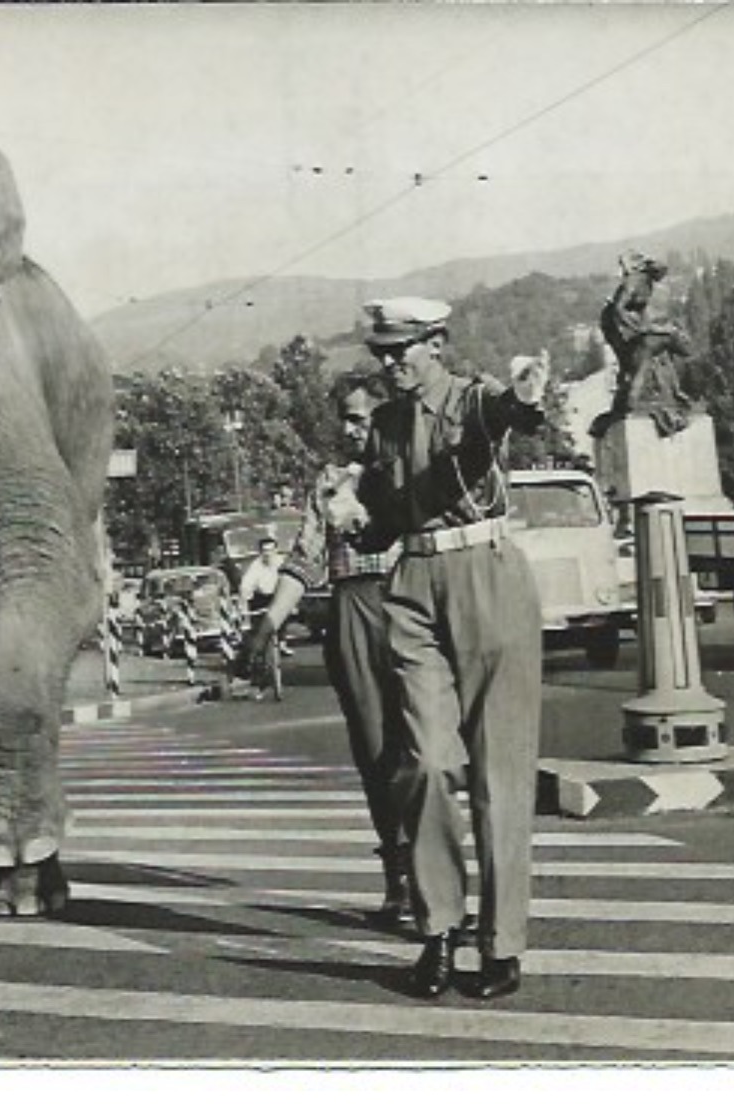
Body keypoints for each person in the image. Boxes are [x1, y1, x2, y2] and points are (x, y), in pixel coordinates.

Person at [353, 296, 549, 1001]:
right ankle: (438, 929)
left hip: (486, 580)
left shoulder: (468, 400)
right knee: (426, 762)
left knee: (500, 772)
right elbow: (382, 516)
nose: (388, 363)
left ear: (435, 343)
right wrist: (358, 524)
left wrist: (526, 398)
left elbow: (508, 416)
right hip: (411, 585)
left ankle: (501, 945)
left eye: (400, 349)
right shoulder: (380, 426)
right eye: (379, 353)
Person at [240, 370, 411, 925]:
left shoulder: (413, 468)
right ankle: (398, 880)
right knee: (375, 750)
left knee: (426, 748)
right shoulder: (330, 481)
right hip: (353, 610)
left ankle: (439, 874)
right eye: (344, 418)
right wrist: (268, 628)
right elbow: (305, 558)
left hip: (413, 602)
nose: (349, 428)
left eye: (360, 417)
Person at [598, 250, 692, 435]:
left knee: (650, 355)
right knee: (643, 355)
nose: (662, 274)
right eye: (660, 270)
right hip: (616, 327)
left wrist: (650, 327)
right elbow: (619, 308)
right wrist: (640, 329)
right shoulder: (635, 281)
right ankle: (633, 401)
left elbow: (641, 313)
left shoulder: (647, 283)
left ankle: (665, 394)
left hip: (630, 327)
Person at [238, 537, 293, 657]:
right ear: (260, 552)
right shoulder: (256, 565)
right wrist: (244, 604)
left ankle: (282, 643)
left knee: (283, 614)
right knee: (257, 627)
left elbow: (290, 581)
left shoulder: (282, 563)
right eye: (264, 551)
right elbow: (246, 585)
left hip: (278, 595)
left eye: (270, 550)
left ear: (276, 550)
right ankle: (256, 651)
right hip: (260, 598)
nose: (268, 554)